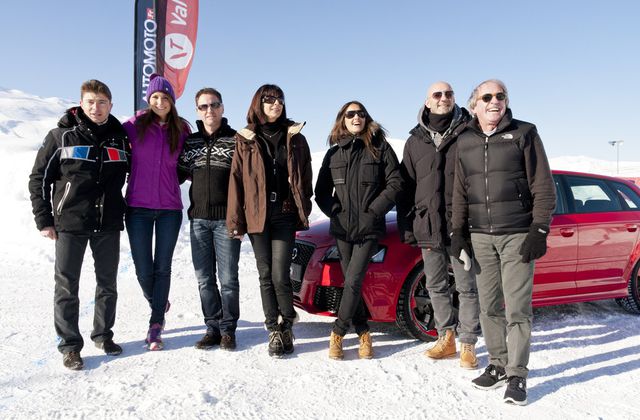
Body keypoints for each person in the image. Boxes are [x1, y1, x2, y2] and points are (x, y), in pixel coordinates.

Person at [451, 79, 556, 405]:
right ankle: (497, 365)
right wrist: (458, 234)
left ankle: (517, 375)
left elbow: (543, 185)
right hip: (481, 237)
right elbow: (459, 191)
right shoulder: (464, 140)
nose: (495, 101)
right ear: (474, 105)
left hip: (517, 235)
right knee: (488, 307)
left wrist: (539, 229)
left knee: (518, 311)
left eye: (500, 96)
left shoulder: (524, 133)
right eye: (487, 97)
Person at [28, 79, 130, 370]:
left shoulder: (120, 139)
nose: (96, 108)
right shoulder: (61, 136)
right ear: (81, 103)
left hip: (107, 221)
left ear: (111, 105)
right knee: (66, 286)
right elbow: (39, 179)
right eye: (91, 102)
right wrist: (44, 219)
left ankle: (103, 335)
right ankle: (70, 345)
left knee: (107, 284)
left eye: (102, 102)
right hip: (70, 222)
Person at [397, 81, 481, 369]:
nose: (444, 98)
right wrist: (407, 227)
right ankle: (446, 337)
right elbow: (405, 188)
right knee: (436, 285)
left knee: (468, 286)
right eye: (438, 94)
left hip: (462, 227)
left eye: (448, 94)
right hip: (428, 225)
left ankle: (468, 342)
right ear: (428, 102)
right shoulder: (415, 141)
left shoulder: (470, 132)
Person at [227, 84, 313, 357]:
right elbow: (237, 180)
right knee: (265, 275)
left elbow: (306, 175)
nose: (276, 104)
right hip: (257, 215)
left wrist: (303, 204)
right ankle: (273, 330)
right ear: (258, 103)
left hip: (284, 213)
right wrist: (236, 222)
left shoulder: (296, 137)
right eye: (269, 99)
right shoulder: (246, 138)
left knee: (280, 274)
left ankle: (286, 324)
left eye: (280, 99)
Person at [315, 101, 402, 360]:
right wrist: (334, 211)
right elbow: (320, 191)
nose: (356, 117)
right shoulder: (333, 154)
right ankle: (363, 330)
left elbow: (396, 183)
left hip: (369, 229)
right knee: (350, 282)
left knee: (353, 280)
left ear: (366, 118)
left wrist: (375, 210)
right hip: (342, 229)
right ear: (342, 119)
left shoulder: (380, 148)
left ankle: (338, 332)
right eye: (351, 114)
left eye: (361, 114)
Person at [124, 74, 190, 351]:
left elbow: (187, 164)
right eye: (155, 97)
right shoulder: (133, 126)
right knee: (142, 267)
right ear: (148, 100)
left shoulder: (182, 129)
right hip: (137, 206)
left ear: (172, 101)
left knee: (162, 266)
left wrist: (176, 180)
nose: (160, 101)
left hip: (169, 209)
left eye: (165, 97)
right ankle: (158, 301)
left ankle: (155, 324)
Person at [178, 88, 241, 351]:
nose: (209, 110)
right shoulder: (190, 143)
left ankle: (228, 330)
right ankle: (212, 328)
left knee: (227, 279)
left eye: (214, 105)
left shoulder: (236, 140)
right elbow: (177, 175)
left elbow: (245, 183)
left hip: (226, 221)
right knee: (204, 278)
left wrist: (240, 220)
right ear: (197, 111)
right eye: (203, 106)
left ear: (223, 108)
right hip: (199, 222)